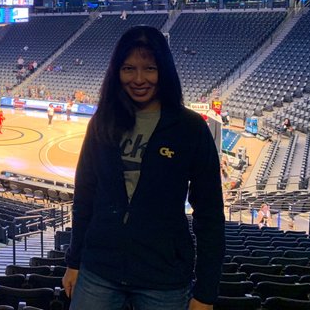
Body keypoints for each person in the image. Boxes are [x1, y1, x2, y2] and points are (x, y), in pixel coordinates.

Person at [62, 26, 224, 310]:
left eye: (149, 68)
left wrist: (206, 291)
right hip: (99, 269)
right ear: (117, 72)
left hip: (164, 277)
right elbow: (84, 197)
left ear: (165, 71)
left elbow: (209, 214)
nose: (139, 79)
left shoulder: (190, 128)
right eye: (128, 68)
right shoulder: (102, 122)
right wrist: (74, 262)